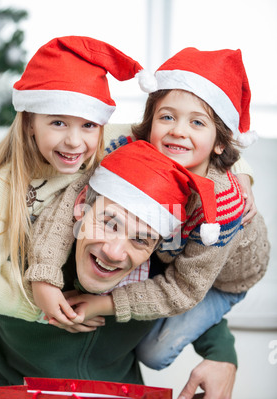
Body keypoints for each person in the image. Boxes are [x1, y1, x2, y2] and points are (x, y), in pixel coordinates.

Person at [0, 141, 251, 399]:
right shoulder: (11, 260)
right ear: (82, 206)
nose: (114, 252)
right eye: (109, 224)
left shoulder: (155, 275)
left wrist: (221, 357)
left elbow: (191, 305)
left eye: (141, 239)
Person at [27, 48, 270, 370]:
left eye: (197, 122)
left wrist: (104, 304)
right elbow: (69, 200)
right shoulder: (130, 149)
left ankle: (212, 326)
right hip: (167, 249)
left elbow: (186, 287)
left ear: (220, 143)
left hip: (219, 278)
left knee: (154, 353)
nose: (178, 130)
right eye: (167, 117)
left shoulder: (222, 209)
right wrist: (43, 276)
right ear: (149, 122)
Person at [0, 35, 144, 321]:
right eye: (58, 123)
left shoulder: (112, 142)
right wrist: (43, 307)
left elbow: (180, 138)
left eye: (88, 125)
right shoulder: (4, 186)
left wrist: (239, 175)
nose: (74, 141)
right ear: (30, 123)